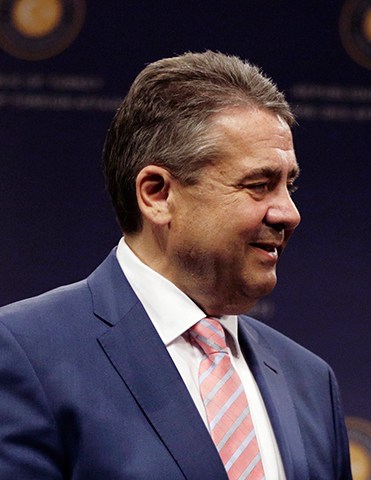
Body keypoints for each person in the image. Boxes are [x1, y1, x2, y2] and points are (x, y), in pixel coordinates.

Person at [0, 51, 352, 479]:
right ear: (157, 194)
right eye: (259, 185)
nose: (288, 213)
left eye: (288, 185)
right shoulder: (25, 354)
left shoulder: (310, 382)